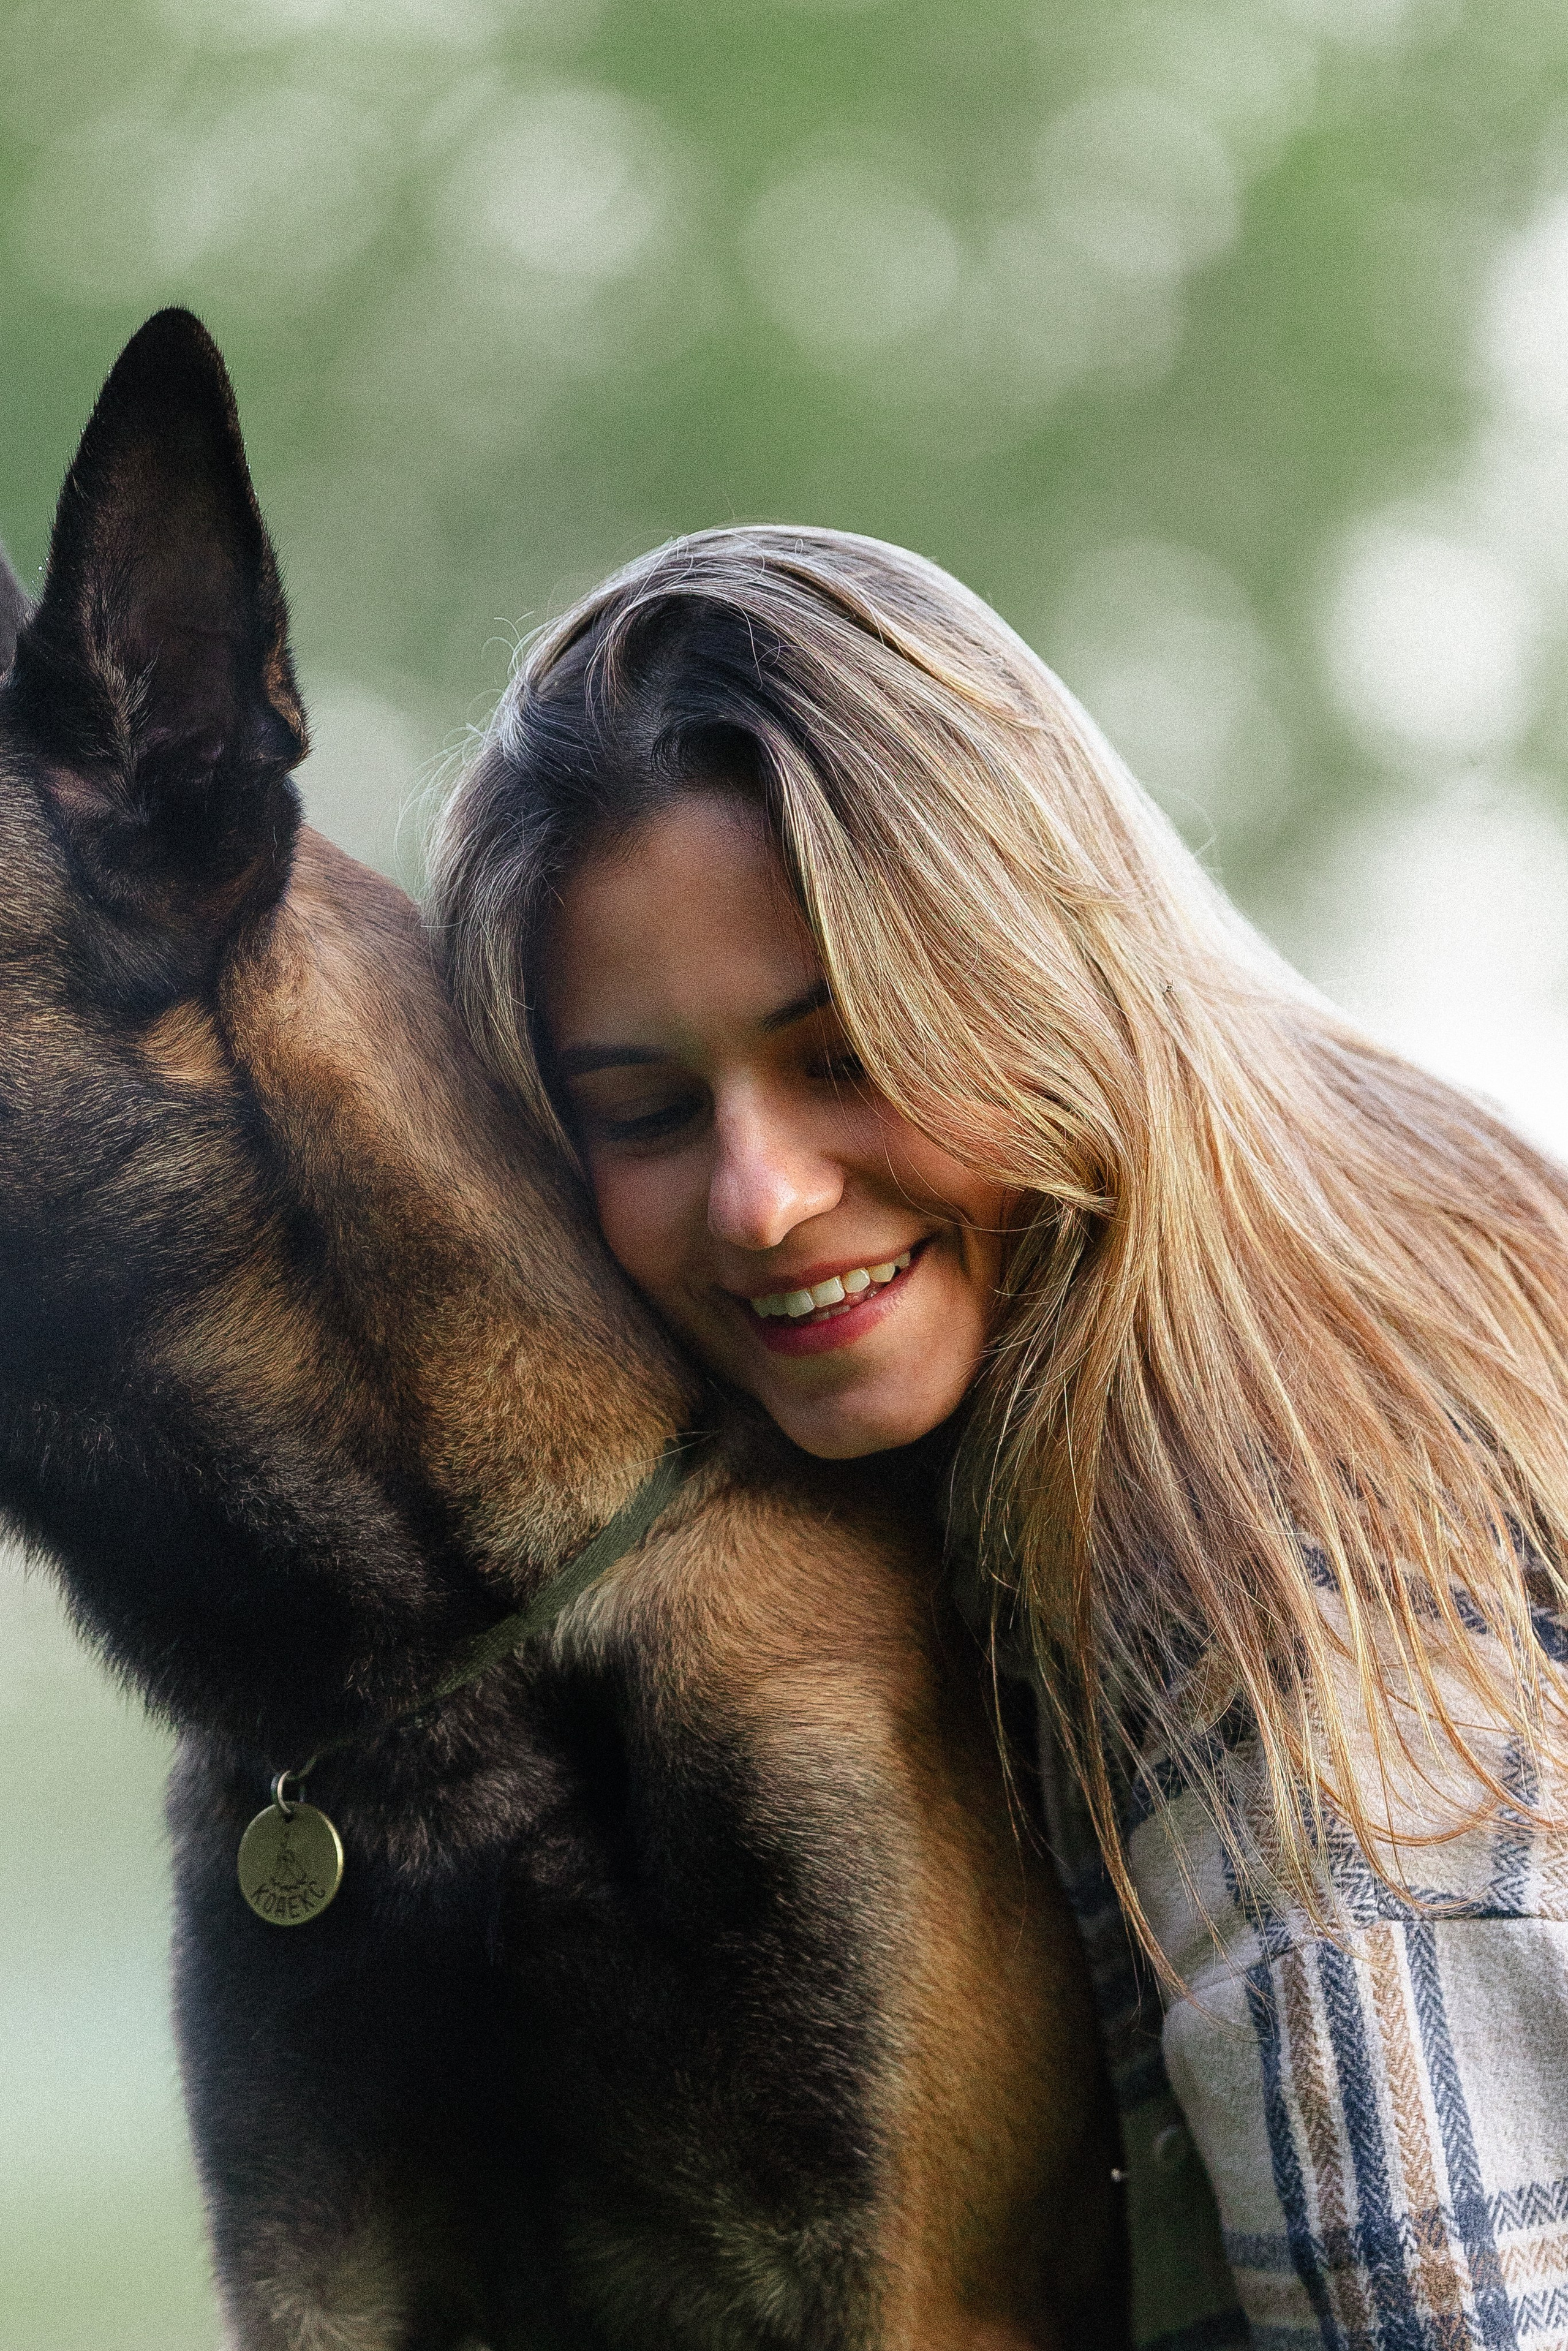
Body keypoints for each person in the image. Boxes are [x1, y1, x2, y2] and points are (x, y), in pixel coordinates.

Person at [429, 525, 1568, 2349]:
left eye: (847, 1051)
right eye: (644, 1112)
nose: (763, 1197)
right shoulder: (1388, 1240)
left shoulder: (1256, 1550)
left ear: (1035, 973)